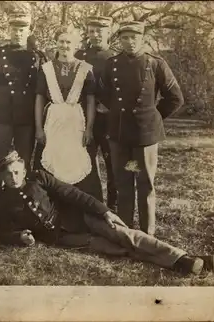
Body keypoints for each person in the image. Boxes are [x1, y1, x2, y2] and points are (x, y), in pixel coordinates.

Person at [0, 151, 207, 276]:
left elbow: (73, 194)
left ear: (23, 168)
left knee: (123, 235)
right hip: (62, 238)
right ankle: (182, 263)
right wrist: (18, 236)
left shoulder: (39, 178)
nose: (14, 177)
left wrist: (105, 211)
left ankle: (179, 257)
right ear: (2, 176)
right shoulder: (1, 202)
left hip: (80, 217)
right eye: (9, 174)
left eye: (17, 171)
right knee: (113, 249)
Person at [98, 21, 184, 235]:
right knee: (124, 182)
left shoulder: (155, 63)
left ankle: (148, 233)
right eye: (125, 37)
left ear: (142, 39)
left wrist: (153, 118)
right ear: (119, 40)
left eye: (133, 37)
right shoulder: (112, 64)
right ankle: (127, 232)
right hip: (120, 136)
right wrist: (118, 112)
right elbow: (104, 93)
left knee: (145, 184)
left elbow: (175, 98)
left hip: (144, 137)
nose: (129, 42)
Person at [0, 3, 42, 207]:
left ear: (29, 30)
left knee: (23, 162)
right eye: (14, 28)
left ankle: (21, 208)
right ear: (8, 30)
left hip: (27, 117)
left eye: (22, 28)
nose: (18, 33)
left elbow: (43, 88)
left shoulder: (38, 56)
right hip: (2, 116)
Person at [33, 26, 103, 203]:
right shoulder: (47, 68)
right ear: (56, 44)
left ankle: (83, 212)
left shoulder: (85, 68)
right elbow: (39, 99)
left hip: (76, 122)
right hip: (53, 122)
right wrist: (38, 129)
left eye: (68, 42)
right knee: (49, 162)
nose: (64, 45)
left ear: (76, 45)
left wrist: (89, 129)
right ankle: (50, 209)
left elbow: (90, 101)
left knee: (78, 163)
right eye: (61, 42)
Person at [75, 16, 118, 211]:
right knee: (85, 165)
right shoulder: (78, 56)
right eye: (91, 31)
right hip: (83, 120)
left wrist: (110, 106)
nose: (95, 35)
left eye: (100, 31)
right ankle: (91, 207)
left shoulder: (116, 57)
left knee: (114, 166)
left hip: (110, 121)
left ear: (109, 32)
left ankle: (114, 208)